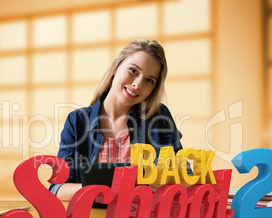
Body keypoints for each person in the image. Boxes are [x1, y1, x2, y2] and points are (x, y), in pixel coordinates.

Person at [50, 39, 186, 201]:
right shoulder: (77, 121)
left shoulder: (159, 117)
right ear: (116, 67)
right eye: (133, 71)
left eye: (149, 80)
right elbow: (57, 189)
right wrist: (110, 187)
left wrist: (167, 183)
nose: (137, 85)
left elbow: (186, 177)